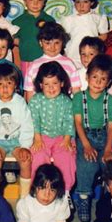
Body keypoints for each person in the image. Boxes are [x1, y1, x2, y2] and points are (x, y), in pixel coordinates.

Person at [73, 54, 112, 222]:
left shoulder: (110, 101)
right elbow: (77, 123)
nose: (98, 82)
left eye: (103, 79)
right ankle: (84, 197)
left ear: (109, 82)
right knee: (86, 163)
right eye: (94, 77)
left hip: (105, 138)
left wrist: (107, 149)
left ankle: (110, 200)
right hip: (86, 136)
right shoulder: (79, 98)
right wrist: (85, 145)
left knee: (111, 163)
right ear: (87, 77)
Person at [0, 63, 33, 197]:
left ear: (16, 85)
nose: (5, 88)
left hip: (17, 141)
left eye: (9, 83)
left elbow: (27, 125)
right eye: (0, 84)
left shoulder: (20, 102)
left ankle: (25, 197)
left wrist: (25, 146)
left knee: (26, 160)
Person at [29, 62, 76, 202]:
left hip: (62, 137)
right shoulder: (36, 100)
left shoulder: (67, 101)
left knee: (66, 157)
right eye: (47, 84)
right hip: (41, 136)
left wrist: (67, 139)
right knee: (38, 156)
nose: (51, 88)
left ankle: (66, 192)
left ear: (61, 83)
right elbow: (34, 120)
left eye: (54, 83)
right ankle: (38, 189)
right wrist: (37, 139)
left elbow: (69, 121)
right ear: (41, 85)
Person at [24, 22, 81, 101]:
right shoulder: (34, 65)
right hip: (41, 107)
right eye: (47, 43)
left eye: (57, 43)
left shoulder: (69, 63)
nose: (52, 47)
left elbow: (76, 90)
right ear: (41, 43)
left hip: (64, 107)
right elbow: (29, 93)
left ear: (62, 42)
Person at [60, 0, 109, 69]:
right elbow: (63, 38)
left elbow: (104, 35)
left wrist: (93, 42)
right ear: (74, 2)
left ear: (92, 2)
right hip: (72, 56)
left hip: (91, 56)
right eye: (78, 2)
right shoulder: (69, 19)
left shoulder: (98, 18)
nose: (81, 6)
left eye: (85, 2)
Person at [12, 0, 55, 78]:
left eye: (39, 0)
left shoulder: (49, 20)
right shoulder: (18, 21)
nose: (35, 3)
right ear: (25, 1)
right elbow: (10, 39)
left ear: (44, 2)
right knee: (28, 86)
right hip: (27, 59)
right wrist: (21, 43)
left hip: (47, 60)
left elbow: (56, 39)